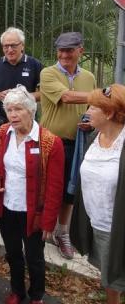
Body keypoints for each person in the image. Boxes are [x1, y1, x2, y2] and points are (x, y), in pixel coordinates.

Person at [0, 85, 64, 304]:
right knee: (12, 253)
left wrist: (49, 222)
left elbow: (55, 186)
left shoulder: (50, 143)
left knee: (34, 258)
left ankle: (36, 296)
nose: (12, 114)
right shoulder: (4, 132)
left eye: (18, 109)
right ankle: (17, 291)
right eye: (9, 109)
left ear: (31, 111)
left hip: (34, 213)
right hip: (7, 207)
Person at [40, 31, 95, 260]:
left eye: (69, 50)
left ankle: (62, 233)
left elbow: (91, 107)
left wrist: (91, 120)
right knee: (46, 188)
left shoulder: (89, 77)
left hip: (76, 142)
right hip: (50, 142)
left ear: (80, 51)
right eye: (61, 50)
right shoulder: (48, 73)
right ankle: (43, 229)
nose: (64, 54)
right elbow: (67, 98)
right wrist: (102, 95)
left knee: (70, 192)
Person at [70, 84, 125, 304]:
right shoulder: (94, 138)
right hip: (98, 224)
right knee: (109, 278)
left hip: (118, 228)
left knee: (117, 276)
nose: (88, 111)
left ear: (110, 113)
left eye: (93, 107)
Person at [0, 27, 43, 126]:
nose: (9, 50)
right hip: (1, 120)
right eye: (6, 46)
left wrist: (22, 97)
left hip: (27, 120)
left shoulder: (35, 64)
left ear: (22, 46)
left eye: (13, 46)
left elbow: (43, 94)